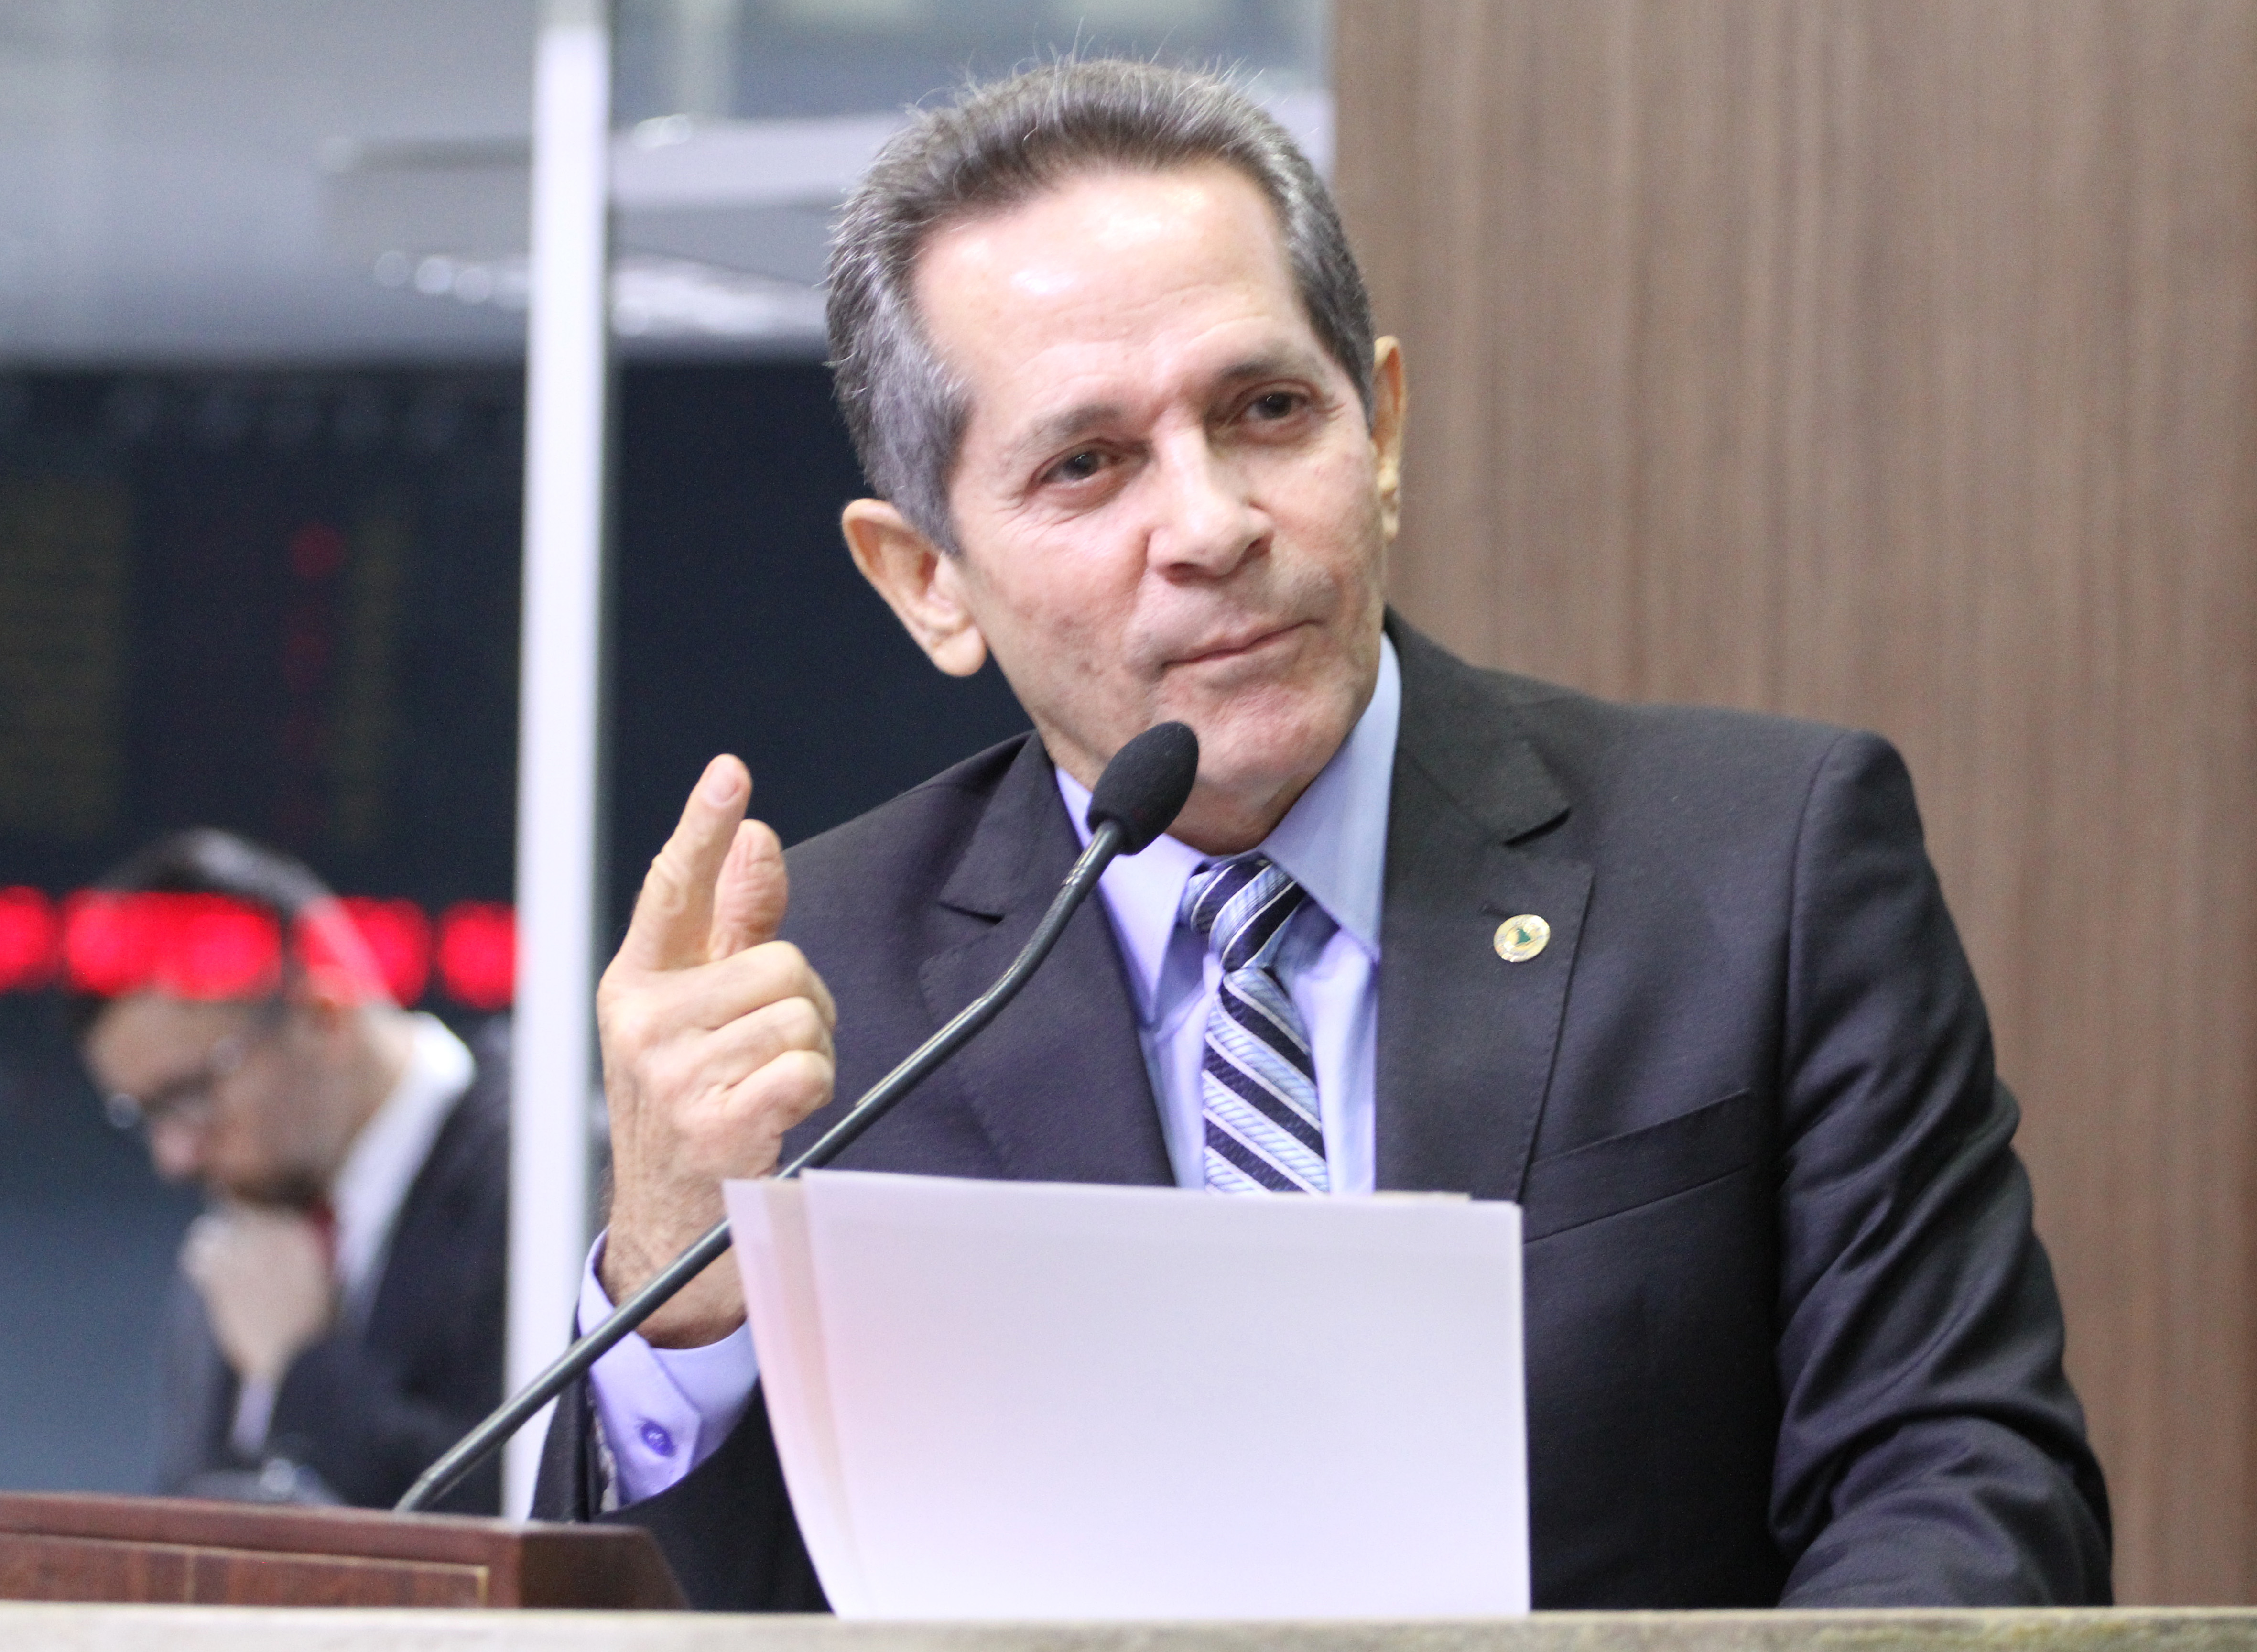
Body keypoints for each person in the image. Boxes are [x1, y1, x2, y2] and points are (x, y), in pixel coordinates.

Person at [534, 59, 2111, 1607]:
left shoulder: (1759, 868)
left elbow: (1961, 1478)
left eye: (1268, 410)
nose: (1212, 525)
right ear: (926, 579)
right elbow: (660, 1607)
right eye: (1087, 464)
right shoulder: (822, 991)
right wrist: (674, 1278)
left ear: (1384, 431)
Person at [69, 829, 507, 1511]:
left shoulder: (553, 1184)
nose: (173, 1157)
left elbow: (544, 1515)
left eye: (190, 1095)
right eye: (144, 1115)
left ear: (324, 1017)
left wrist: (302, 1372)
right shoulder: (237, 1243)